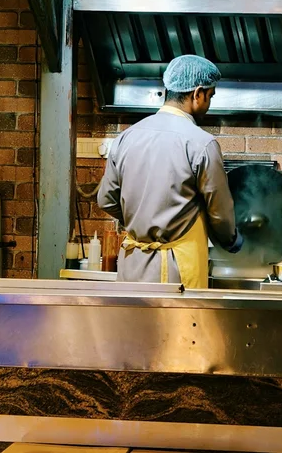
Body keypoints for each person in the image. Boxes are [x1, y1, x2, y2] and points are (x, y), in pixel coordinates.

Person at [96, 55, 243, 288]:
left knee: (130, 325)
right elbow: (219, 211)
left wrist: (143, 219)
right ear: (197, 94)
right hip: (178, 272)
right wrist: (232, 240)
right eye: (210, 96)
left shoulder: (126, 137)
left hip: (132, 266)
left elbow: (106, 200)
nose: (209, 104)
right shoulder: (201, 143)